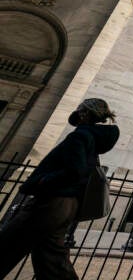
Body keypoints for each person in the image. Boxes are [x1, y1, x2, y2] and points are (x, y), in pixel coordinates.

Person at [0, 98, 119, 279]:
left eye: (80, 109)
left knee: (8, 245)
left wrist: (42, 181)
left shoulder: (79, 136)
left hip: (52, 202)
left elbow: (74, 171)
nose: (77, 112)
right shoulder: (93, 139)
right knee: (53, 262)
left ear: (85, 113)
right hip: (69, 205)